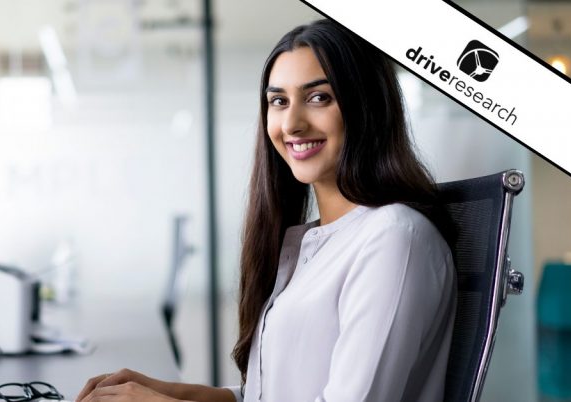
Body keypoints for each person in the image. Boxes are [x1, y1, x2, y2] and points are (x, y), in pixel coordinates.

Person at [75, 19, 456, 402]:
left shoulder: (393, 237)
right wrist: (167, 391)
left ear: (366, 106)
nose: (291, 123)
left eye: (319, 97)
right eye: (279, 101)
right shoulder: (313, 241)